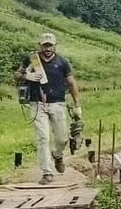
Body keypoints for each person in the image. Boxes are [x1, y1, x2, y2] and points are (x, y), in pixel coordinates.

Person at [14, 32, 82, 185]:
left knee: (62, 138)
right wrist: (26, 76)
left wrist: (77, 105)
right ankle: (47, 172)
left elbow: (71, 83)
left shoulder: (62, 62)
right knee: (43, 138)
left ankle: (58, 155)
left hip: (58, 103)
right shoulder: (32, 59)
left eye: (50, 45)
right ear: (40, 45)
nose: (47, 48)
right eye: (44, 45)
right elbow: (17, 74)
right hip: (37, 104)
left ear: (55, 46)